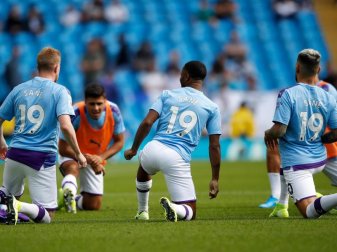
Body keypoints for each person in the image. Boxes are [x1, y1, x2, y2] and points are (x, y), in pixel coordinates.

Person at [124, 61, 222, 222]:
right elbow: (215, 146)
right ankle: (175, 207)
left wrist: (134, 149)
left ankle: (142, 211)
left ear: (186, 76)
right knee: (190, 211)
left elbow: (147, 122)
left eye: (181, 74)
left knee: (144, 169)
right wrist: (215, 178)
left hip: (153, 148)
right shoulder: (212, 107)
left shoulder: (167, 95)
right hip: (176, 157)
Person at [0, 47, 87, 225]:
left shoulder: (19, 89)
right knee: (47, 215)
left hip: (14, 154)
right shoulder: (60, 91)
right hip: (40, 157)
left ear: (38, 66)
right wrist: (78, 154)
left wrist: (2, 142)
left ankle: (8, 201)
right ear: (56, 68)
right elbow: (65, 125)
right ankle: (18, 205)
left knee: (6, 201)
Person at [264, 49, 337, 219]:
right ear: (318, 70)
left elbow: (280, 130)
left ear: (297, 68)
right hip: (320, 158)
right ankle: (282, 204)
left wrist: (268, 133)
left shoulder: (288, 93)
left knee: (309, 211)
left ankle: (285, 202)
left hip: (298, 163)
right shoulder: (328, 96)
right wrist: (322, 139)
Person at [58, 84, 125, 212]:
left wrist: (99, 158)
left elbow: (120, 142)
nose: (96, 108)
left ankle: (70, 199)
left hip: (94, 158)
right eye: (92, 104)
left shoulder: (114, 111)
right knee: (73, 167)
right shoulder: (75, 113)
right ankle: (69, 190)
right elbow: (62, 148)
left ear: (105, 101)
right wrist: (88, 159)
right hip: (73, 154)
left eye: (99, 104)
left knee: (93, 205)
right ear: (85, 101)